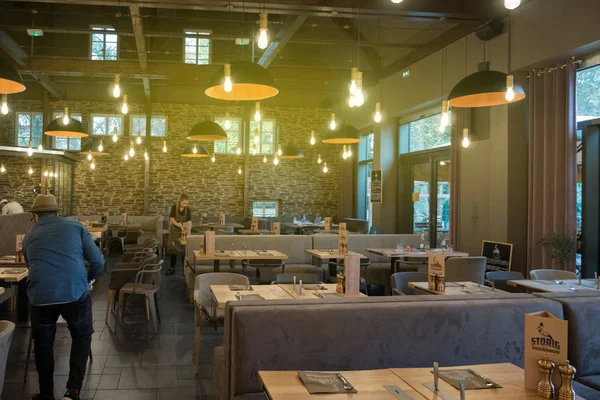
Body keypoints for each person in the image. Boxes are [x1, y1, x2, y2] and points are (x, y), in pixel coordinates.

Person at [22, 194, 104, 400]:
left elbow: (30, 264)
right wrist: (88, 279)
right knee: (81, 335)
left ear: (35, 215)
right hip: (74, 291)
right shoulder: (75, 227)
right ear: (57, 211)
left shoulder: (29, 235)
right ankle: (73, 391)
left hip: (41, 295)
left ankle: (46, 393)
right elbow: (98, 261)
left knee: (43, 342)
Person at [167, 193, 191, 275]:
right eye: (184, 203)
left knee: (183, 250)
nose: (185, 205)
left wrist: (188, 232)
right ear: (180, 201)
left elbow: (189, 221)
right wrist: (177, 224)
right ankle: (172, 268)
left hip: (183, 232)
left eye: (186, 203)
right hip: (174, 230)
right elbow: (171, 218)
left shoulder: (188, 210)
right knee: (173, 249)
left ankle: (184, 270)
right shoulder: (174, 207)